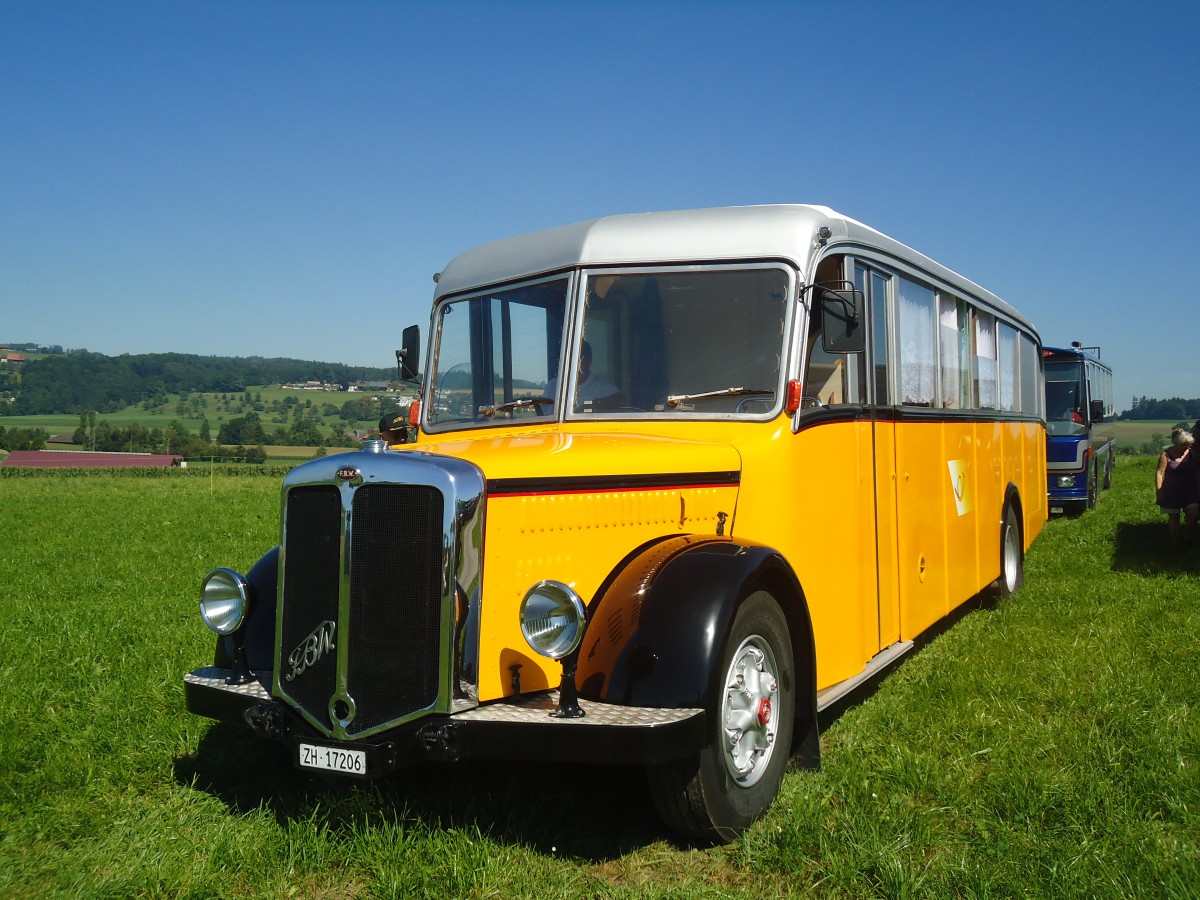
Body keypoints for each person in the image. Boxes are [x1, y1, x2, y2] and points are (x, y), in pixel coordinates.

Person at [545, 340, 624, 409]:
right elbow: (542, 413)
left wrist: (595, 404)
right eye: (567, 360)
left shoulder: (600, 387)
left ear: (589, 361)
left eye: (576, 360)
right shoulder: (553, 386)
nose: (570, 365)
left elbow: (621, 400)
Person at [1155, 427, 1199, 547]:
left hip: (1190, 489)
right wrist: (1159, 491)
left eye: (1190, 445)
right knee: (1174, 518)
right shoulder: (1166, 454)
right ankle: (1176, 545)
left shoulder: (1191, 453)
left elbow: (1196, 470)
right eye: (1186, 445)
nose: (1189, 447)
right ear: (1179, 444)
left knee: (1195, 513)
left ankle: (1186, 532)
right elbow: (1160, 473)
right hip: (1171, 490)